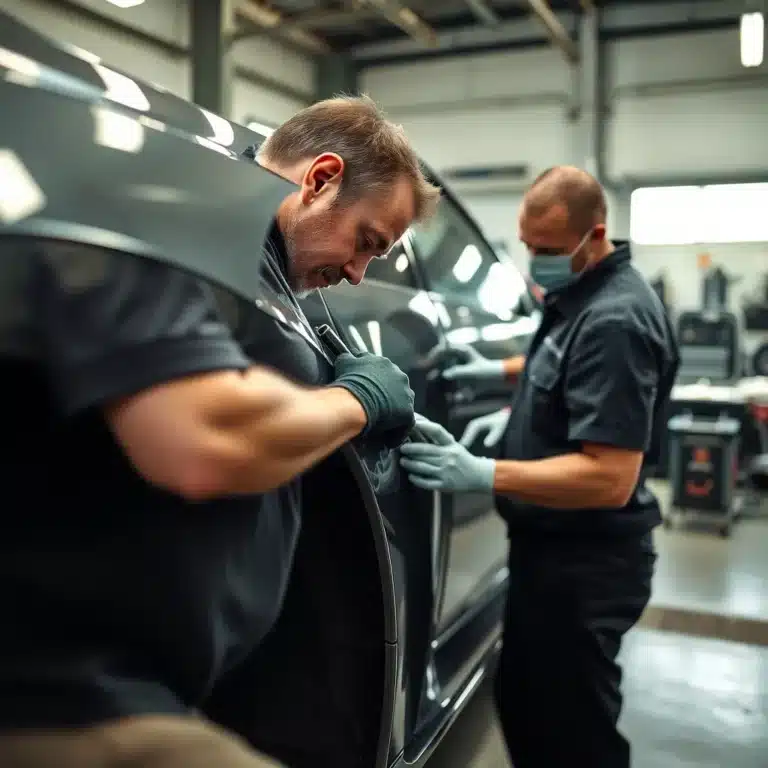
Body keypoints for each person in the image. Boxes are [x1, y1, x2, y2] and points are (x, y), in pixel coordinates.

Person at [0, 95, 440, 767]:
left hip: (154, 682)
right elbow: (206, 440)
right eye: (367, 242)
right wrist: (356, 402)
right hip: (72, 695)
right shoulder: (173, 221)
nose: (358, 273)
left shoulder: (263, 269)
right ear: (319, 179)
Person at [399, 166, 679, 768]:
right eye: (527, 245)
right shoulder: (579, 295)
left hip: (586, 566)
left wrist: (484, 472)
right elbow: (560, 363)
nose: (534, 261)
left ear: (594, 234)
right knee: (527, 706)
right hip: (546, 554)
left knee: (573, 737)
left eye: (548, 251)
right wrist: (498, 375)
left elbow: (609, 479)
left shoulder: (617, 320)